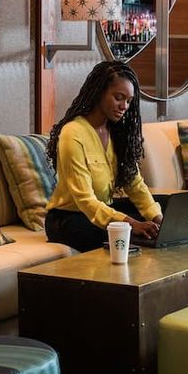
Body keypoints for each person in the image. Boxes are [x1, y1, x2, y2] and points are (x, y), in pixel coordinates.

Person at [45, 61, 163, 252]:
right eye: (118, 98)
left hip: (103, 209)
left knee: (166, 208)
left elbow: (135, 185)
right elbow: (85, 200)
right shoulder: (72, 133)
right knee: (130, 233)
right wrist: (132, 224)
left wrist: (159, 219)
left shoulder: (118, 132)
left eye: (129, 101)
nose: (124, 106)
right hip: (69, 219)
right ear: (99, 92)